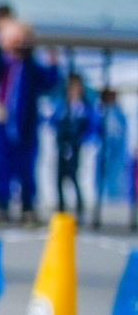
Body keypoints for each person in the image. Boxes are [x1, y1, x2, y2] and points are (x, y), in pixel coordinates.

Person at [0, 17, 58, 222]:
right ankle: (1, 203)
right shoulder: (1, 62)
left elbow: (49, 81)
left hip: (26, 123)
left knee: (26, 166)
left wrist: (53, 63)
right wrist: (0, 45)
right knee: (1, 165)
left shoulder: (31, 65)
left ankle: (27, 205)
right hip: (2, 122)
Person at [52, 71, 97, 218]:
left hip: (75, 146)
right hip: (62, 145)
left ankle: (79, 206)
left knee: (73, 176)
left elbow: (91, 126)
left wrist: (80, 140)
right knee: (59, 177)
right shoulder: (63, 105)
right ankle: (61, 206)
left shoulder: (85, 107)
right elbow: (54, 120)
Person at [96, 88, 130, 222]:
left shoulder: (117, 113)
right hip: (105, 151)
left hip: (115, 152)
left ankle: (113, 200)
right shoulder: (102, 112)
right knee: (105, 175)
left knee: (114, 176)